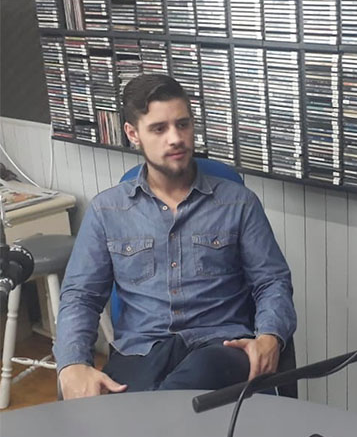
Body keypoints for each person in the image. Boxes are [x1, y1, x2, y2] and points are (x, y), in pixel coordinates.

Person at [54, 74, 296, 399]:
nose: (176, 138)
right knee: (108, 398)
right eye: (159, 129)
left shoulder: (238, 203)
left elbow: (272, 282)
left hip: (220, 348)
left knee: (188, 381)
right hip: (142, 351)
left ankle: (149, 417)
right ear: (133, 134)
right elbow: (80, 296)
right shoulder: (107, 211)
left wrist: (270, 335)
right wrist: (72, 364)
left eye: (183, 125)